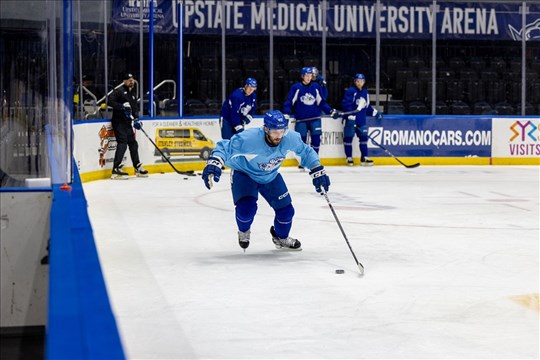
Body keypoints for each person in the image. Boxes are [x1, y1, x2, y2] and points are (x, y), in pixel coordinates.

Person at [201, 110, 330, 252]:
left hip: (270, 175)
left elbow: (305, 151)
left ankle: (281, 238)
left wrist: (317, 168)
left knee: (287, 212)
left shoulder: (290, 138)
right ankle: (244, 231)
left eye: (282, 132)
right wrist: (215, 162)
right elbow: (225, 147)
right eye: (275, 132)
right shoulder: (250, 139)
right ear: (266, 129)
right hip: (245, 174)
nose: (278, 136)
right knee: (246, 210)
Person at [282, 67, 341, 169]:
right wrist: (286, 113)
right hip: (301, 120)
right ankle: (302, 161)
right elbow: (289, 101)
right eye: (307, 75)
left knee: (316, 140)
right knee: (302, 142)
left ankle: (314, 160)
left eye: (310, 76)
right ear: (302, 76)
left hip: (315, 119)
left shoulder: (316, 87)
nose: (309, 78)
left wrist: (330, 111)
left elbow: (322, 102)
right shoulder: (297, 88)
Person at [107, 72, 148, 179]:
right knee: (122, 143)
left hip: (127, 123)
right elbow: (109, 102)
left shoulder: (133, 93)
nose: (131, 81)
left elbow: (134, 108)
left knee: (133, 144)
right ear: (124, 81)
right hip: (119, 122)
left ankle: (137, 166)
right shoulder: (118, 91)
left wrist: (136, 119)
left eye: (132, 79)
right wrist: (121, 106)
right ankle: (115, 169)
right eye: (129, 80)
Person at [341, 73, 383, 166]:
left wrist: (375, 113)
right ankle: (349, 158)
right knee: (348, 139)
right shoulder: (351, 91)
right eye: (358, 81)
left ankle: (364, 157)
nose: (360, 83)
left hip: (361, 120)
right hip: (350, 121)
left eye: (362, 81)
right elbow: (345, 104)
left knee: (364, 139)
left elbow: (367, 107)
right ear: (355, 81)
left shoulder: (365, 93)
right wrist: (349, 115)